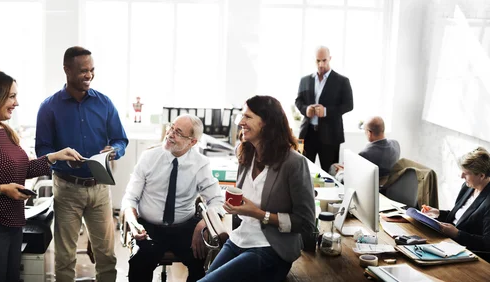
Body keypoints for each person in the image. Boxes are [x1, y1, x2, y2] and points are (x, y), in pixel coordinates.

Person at [0, 70, 82, 282]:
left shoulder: (4, 130)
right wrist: (2, 189)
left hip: (11, 224)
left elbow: (22, 170)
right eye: (11, 96)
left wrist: (54, 157)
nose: (16, 103)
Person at [35, 46, 128, 282]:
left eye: (92, 70)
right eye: (83, 71)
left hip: (99, 189)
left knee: (106, 255)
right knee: (65, 258)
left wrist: (115, 150)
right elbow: (42, 150)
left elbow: (120, 139)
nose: (89, 75)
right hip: (66, 189)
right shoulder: (49, 107)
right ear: (67, 70)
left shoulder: (104, 103)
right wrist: (60, 157)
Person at [199, 95, 316, 282]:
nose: (241, 123)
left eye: (248, 117)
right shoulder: (246, 153)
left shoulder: (293, 163)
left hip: (271, 248)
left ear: (267, 123)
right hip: (239, 239)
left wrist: (260, 214)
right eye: (241, 117)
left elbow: (306, 223)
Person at [121, 114, 224, 282]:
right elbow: (130, 198)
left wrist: (201, 225)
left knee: (201, 264)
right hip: (149, 227)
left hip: (184, 226)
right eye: (171, 127)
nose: (170, 134)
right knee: (139, 263)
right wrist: (133, 223)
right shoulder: (149, 157)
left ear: (192, 142)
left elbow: (217, 201)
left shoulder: (200, 163)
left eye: (178, 132)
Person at [421, 147, 490, 260]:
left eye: (466, 173)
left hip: (467, 252)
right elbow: (461, 217)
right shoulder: (467, 187)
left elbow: (487, 244)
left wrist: (457, 234)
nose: (461, 176)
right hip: (447, 242)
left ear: (481, 176)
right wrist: (438, 213)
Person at [295, 46, 353, 171]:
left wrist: (326, 111)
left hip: (330, 136)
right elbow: (298, 101)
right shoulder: (305, 80)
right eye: (318, 61)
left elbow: (349, 105)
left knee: (330, 173)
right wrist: (306, 109)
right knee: (302, 170)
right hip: (307, 134)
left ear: (330, 59)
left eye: (324, 60)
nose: (321, 64)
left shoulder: (342, 81)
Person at [330, 116, 400, 184]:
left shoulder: (365, 154)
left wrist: (341, 172)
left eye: (365, 131)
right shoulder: (395, 144)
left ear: (369, 133)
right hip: (388, 186)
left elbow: (348, 181)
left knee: (333, 169)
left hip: (370, 188)